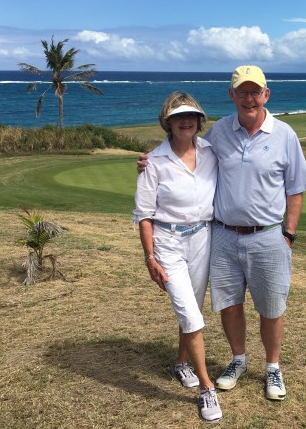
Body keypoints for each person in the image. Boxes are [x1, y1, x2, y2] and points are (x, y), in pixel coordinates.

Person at [138, 65, 306, 401]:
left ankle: (273, 368)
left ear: (266, 95)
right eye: (242, 92)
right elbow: (184, 148)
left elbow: (296, 189)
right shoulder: (218, 134)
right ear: (231, 95)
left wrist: (288, 235)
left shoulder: (285, 134)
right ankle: (238, 360)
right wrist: (150, 161)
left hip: (268, 236)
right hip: (223, 236)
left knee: (271, 307)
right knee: (229, 305)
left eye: (255, 91)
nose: (249, 98)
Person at [133, 91, 222, 422]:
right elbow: (144, 214)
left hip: (203, 237)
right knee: (189, 312)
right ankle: (206, 388)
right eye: (179, 117)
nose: (186, 121)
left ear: (199, 121)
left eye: (192, 116)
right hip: (167, 242)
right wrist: (149, 257)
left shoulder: (212, 151)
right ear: (167, 122)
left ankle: (181, 364)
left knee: (193, 310)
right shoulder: (153, 161)